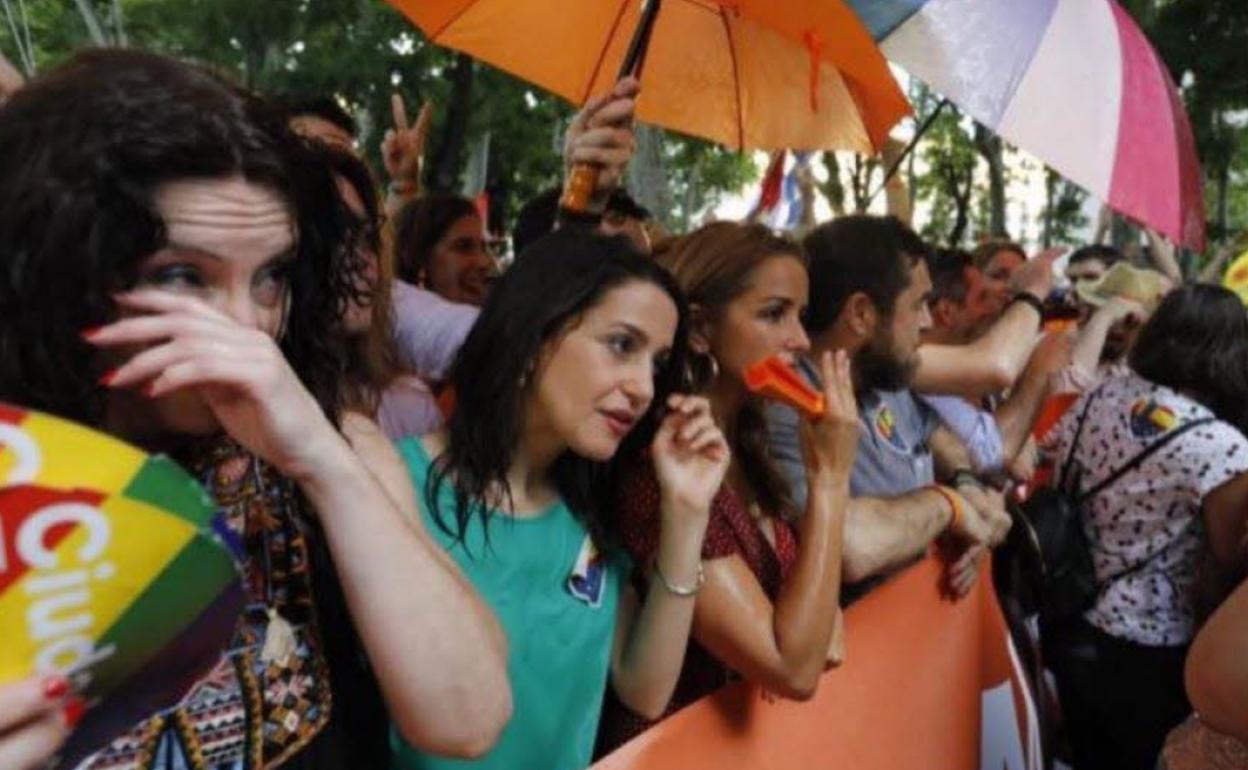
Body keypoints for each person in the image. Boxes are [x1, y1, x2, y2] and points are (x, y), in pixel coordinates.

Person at [0, 49, 510, 770]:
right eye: (183, 276)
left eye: (271, 277)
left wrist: (322, 462)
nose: (247, 330)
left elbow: (469, 718)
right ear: (61, 271)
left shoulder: (339, 447)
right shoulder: (18, 479)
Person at [391, 229, 730, 770]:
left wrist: (688, 514)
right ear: (531, 337)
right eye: (622, 345)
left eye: (658, 363)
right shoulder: (392, 481)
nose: (644, 386)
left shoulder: (587, 511)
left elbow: (644, 689)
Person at [596, 222, 858, 752]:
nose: (801, 341)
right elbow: (793, 665)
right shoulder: (662, 464)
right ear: (698, 330)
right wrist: (830, 479)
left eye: (801, 317)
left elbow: (817, 624)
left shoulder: (751, 442)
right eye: (773, 314)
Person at [1041, 284, 1248, 770]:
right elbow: (1227, 555)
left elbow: (1051, 453)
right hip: (1148, 644)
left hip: (1069, 612)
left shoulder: (1104, 393)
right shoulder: (1221, 447)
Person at [767, 215, 1009, 602]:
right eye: (918, 305)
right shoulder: (787, 409)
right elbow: (845, 546)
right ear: (861, 313)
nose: (927, 321)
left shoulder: (883, 375)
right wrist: (948, 507)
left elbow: (933, 434)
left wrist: (965, 482)